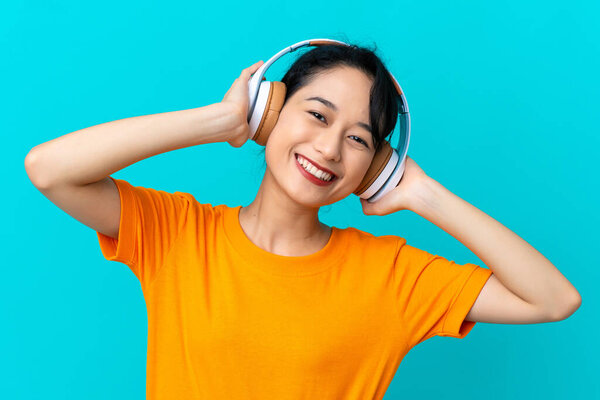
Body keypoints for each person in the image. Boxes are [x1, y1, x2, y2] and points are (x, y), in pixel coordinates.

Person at [25, 43, 581, 400]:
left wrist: (422, 193)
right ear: (270, 111)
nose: (330, 147)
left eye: (359, 139)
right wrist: (218, 120)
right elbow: (49, 170)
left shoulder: (389, 274)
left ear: (374, 168)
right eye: (317, 114)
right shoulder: (178, 233)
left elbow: (553, 299)